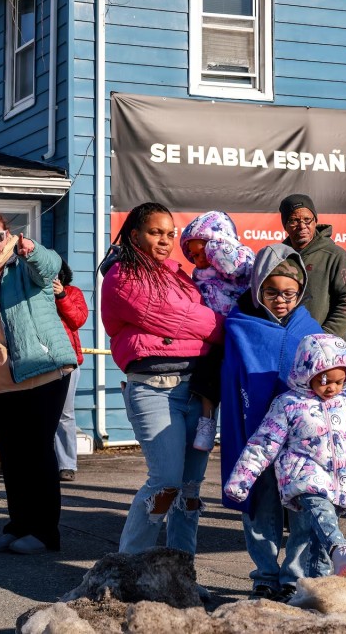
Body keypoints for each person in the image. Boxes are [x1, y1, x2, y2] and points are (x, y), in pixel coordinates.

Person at [224, 333, 346, 578]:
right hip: (303, 479)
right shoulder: (289, 404)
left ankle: (304, 582)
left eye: (339, 381)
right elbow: (263, 443)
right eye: (325, 379)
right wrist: (241, 480)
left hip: (338, 483)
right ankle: (340, 548)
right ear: (307, 372)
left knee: (308, 536)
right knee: (320, 514)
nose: (332, 387)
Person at [101, 202, 223, 556]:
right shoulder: (122, 275)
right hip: (155, 390)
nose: (166, 240)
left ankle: (180, 572)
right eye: (156, 232)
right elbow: (176, 317)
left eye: (171, 234)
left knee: (189, 489)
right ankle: (127, 567)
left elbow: (180, 318)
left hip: (198, 391)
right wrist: (223, 328)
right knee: (166, 483)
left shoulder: (179, 275)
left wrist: (201, 331)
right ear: (135, 234)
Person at [0, 211, 77, 554]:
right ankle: (18, 524)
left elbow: (51, 266)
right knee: (12, 458)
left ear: (9, 236)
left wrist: (30, 249)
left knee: (37, 453)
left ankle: (45, 533)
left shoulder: (25, 268)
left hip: (42, 373)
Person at [220, 244, 324, 602]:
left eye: (289, 293)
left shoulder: (311, 329)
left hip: (299, 440)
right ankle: (264, 573)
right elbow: (231, 379)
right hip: (256, 434)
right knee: (260, 503)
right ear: (257, 287)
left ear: (301, 291)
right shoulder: (238, 326)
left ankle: (294, 574)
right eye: (272, 291)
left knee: (301, 508)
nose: (281, 300)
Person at [179, 210, 255, 451]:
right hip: (212, 333)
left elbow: (236, 268)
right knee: (206, 379)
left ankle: (249, 426)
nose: (193, 254)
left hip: (240, 329)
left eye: (197, 247)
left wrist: (215, 247)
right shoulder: (197, 273)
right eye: (189, 251)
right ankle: (207, 423)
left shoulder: (238, 255)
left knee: (241, 383)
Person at [279, 194, 346, 343]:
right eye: (293, 220)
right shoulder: (277, 257)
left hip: (326, 351)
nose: (302, 226)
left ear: (315, 221)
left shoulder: (335, 256)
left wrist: (324, 337)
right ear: (284, 225)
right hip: (287, 347)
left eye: (307, 220)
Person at [53, 260, 88, 482]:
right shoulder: (34, 294)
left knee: (65, 414)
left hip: (67, 362)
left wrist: (61, 296)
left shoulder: (72, 292)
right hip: (38, 362)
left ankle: (67, 464)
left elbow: (78, 319)